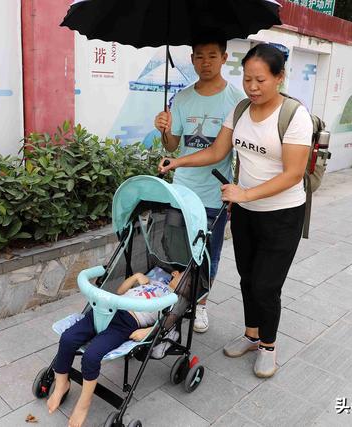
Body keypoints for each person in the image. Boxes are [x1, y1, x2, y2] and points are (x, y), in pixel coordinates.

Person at [159, 43, 313, 378]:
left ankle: (268, 347)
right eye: (247, 80)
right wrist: (178, 160)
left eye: (261, 80)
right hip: (245, 211)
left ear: (280, 77)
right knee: (247, 279)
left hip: (282, 214)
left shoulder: (295, 115)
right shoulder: (241, 110)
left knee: (266, 285)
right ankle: (251, 335)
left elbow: (293, 173)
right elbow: (217, 150)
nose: (253, 87)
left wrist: (245, 192)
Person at [153, 35, 244, 334]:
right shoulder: (181, 98)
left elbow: (226, 152)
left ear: (224, 57)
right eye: (200, 56)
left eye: (212, 56)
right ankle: (176, 302)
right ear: (192, 59)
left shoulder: (236, 100)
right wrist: (165, 129)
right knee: (177, 252)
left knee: (208, 255)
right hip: (181, 190)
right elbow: (173, 145)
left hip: (214, 193)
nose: (205, 63)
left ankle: (200, 305)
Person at [47, 267, 182, 427]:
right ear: (174, 273)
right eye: (184, 277)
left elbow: (169, 320)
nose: (187, 282)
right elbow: (120, 290)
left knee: (91, 355)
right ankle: (62, 383)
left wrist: (148, 331)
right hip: (107, 309)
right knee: (68, 338)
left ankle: (84, 402)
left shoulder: (174, 299)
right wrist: (136, 276)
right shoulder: (151, 280)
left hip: (127, 322)